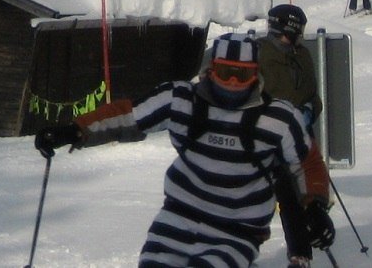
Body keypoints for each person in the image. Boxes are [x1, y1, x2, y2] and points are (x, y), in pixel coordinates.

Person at [35, 33, 335, 268]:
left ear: (256, 76)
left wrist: (315, 207)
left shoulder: (278, 118)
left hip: (236, 230)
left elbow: (306, 164)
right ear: (210, 71)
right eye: (225, 72)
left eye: (242, 75)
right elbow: (128, 115)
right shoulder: (181, 100)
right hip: (178, 216)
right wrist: (74, 130)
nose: (233, 83)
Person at [256, 4, 326, 263]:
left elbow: (313, 95)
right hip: (267, 137)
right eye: (297, 32)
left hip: (297, 136)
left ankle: (300, 255)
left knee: (296, 197)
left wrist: (309, 110)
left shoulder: (303, 55)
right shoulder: (258, 54)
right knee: (256, 198)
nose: (299, 38)